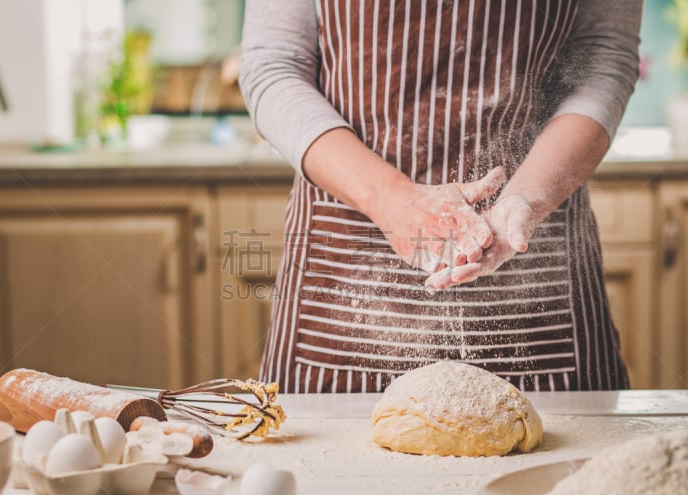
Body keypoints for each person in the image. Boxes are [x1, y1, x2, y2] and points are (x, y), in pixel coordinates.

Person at [239, 0, 642, 394]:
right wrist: (391, 199)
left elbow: (602, 59)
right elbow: (274, 66)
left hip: (535, 268)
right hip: (344, 274)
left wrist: (528, 198)